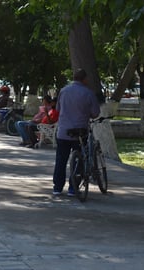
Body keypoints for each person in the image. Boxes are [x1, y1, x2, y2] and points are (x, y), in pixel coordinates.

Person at [52, 68, 100, 196]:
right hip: (80, 132)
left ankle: (57, 187)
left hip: (63, 132)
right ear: (84, 79)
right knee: (80, 159)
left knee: (61, 160)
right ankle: (73, 188)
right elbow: (95, 113)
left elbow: (58, 108)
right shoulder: (88, 93)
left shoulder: (63, 91)